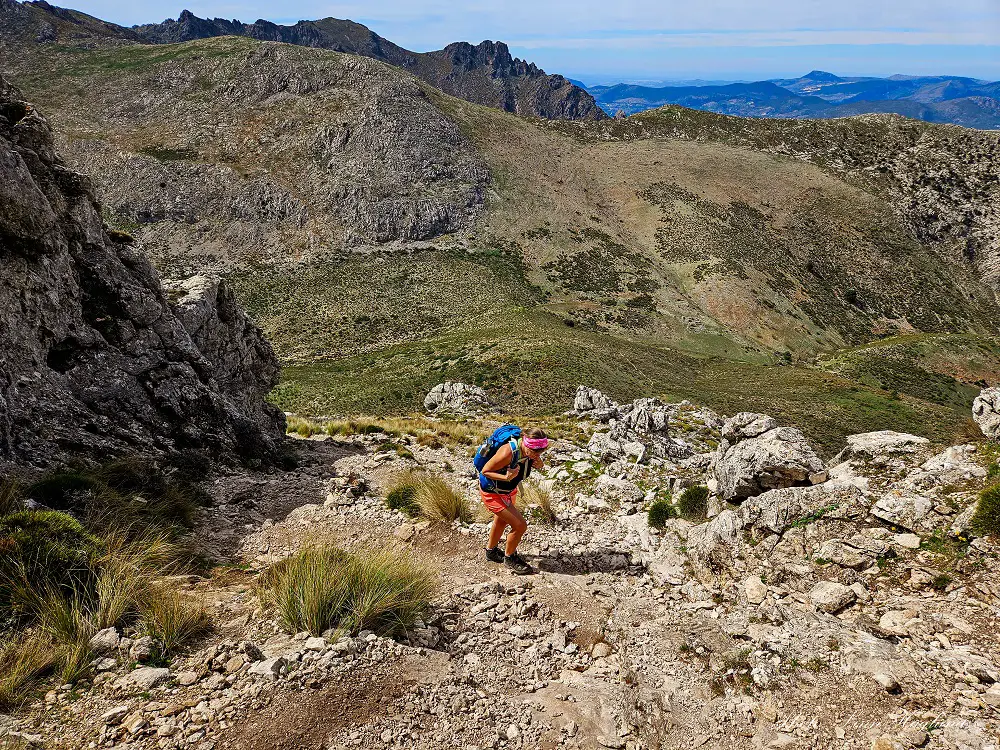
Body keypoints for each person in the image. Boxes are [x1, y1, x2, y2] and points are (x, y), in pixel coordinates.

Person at [478, 426, 549, 575]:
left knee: (501, 521)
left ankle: (491, 552)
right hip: (493, 492)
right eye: (535, 452)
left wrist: (539, 463)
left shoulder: (530, 451)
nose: (537, 455)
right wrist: (505, 477)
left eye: (540, 452)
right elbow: (485, 471)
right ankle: (510, 558)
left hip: (508, 490)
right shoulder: (508, 452)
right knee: (520, 526)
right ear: (526, 444)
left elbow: (533, 459)